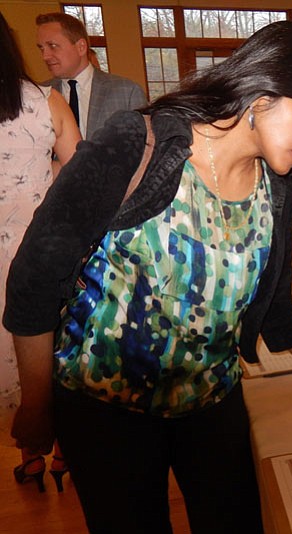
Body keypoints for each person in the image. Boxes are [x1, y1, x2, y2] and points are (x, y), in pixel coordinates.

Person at [4, 21, 292, 533]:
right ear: (263, 91)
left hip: (211, 401)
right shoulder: (137, 141)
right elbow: (35, 276)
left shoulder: (279, 185)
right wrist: (38, 404)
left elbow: (274, 304)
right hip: (105, 412)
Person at [0, 11, 81, 493]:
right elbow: (77, 176)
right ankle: (62, 452)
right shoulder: (43, 101)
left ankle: (29, 457)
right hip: (40, 253)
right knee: (52, 355)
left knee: (12, 364)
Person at [36, 12, 147, 139]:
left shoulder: (127, 93)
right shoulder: (38, 95)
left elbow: (145, 151)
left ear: (81, 47)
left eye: (53, 46)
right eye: (42, 48)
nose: (45, 56)